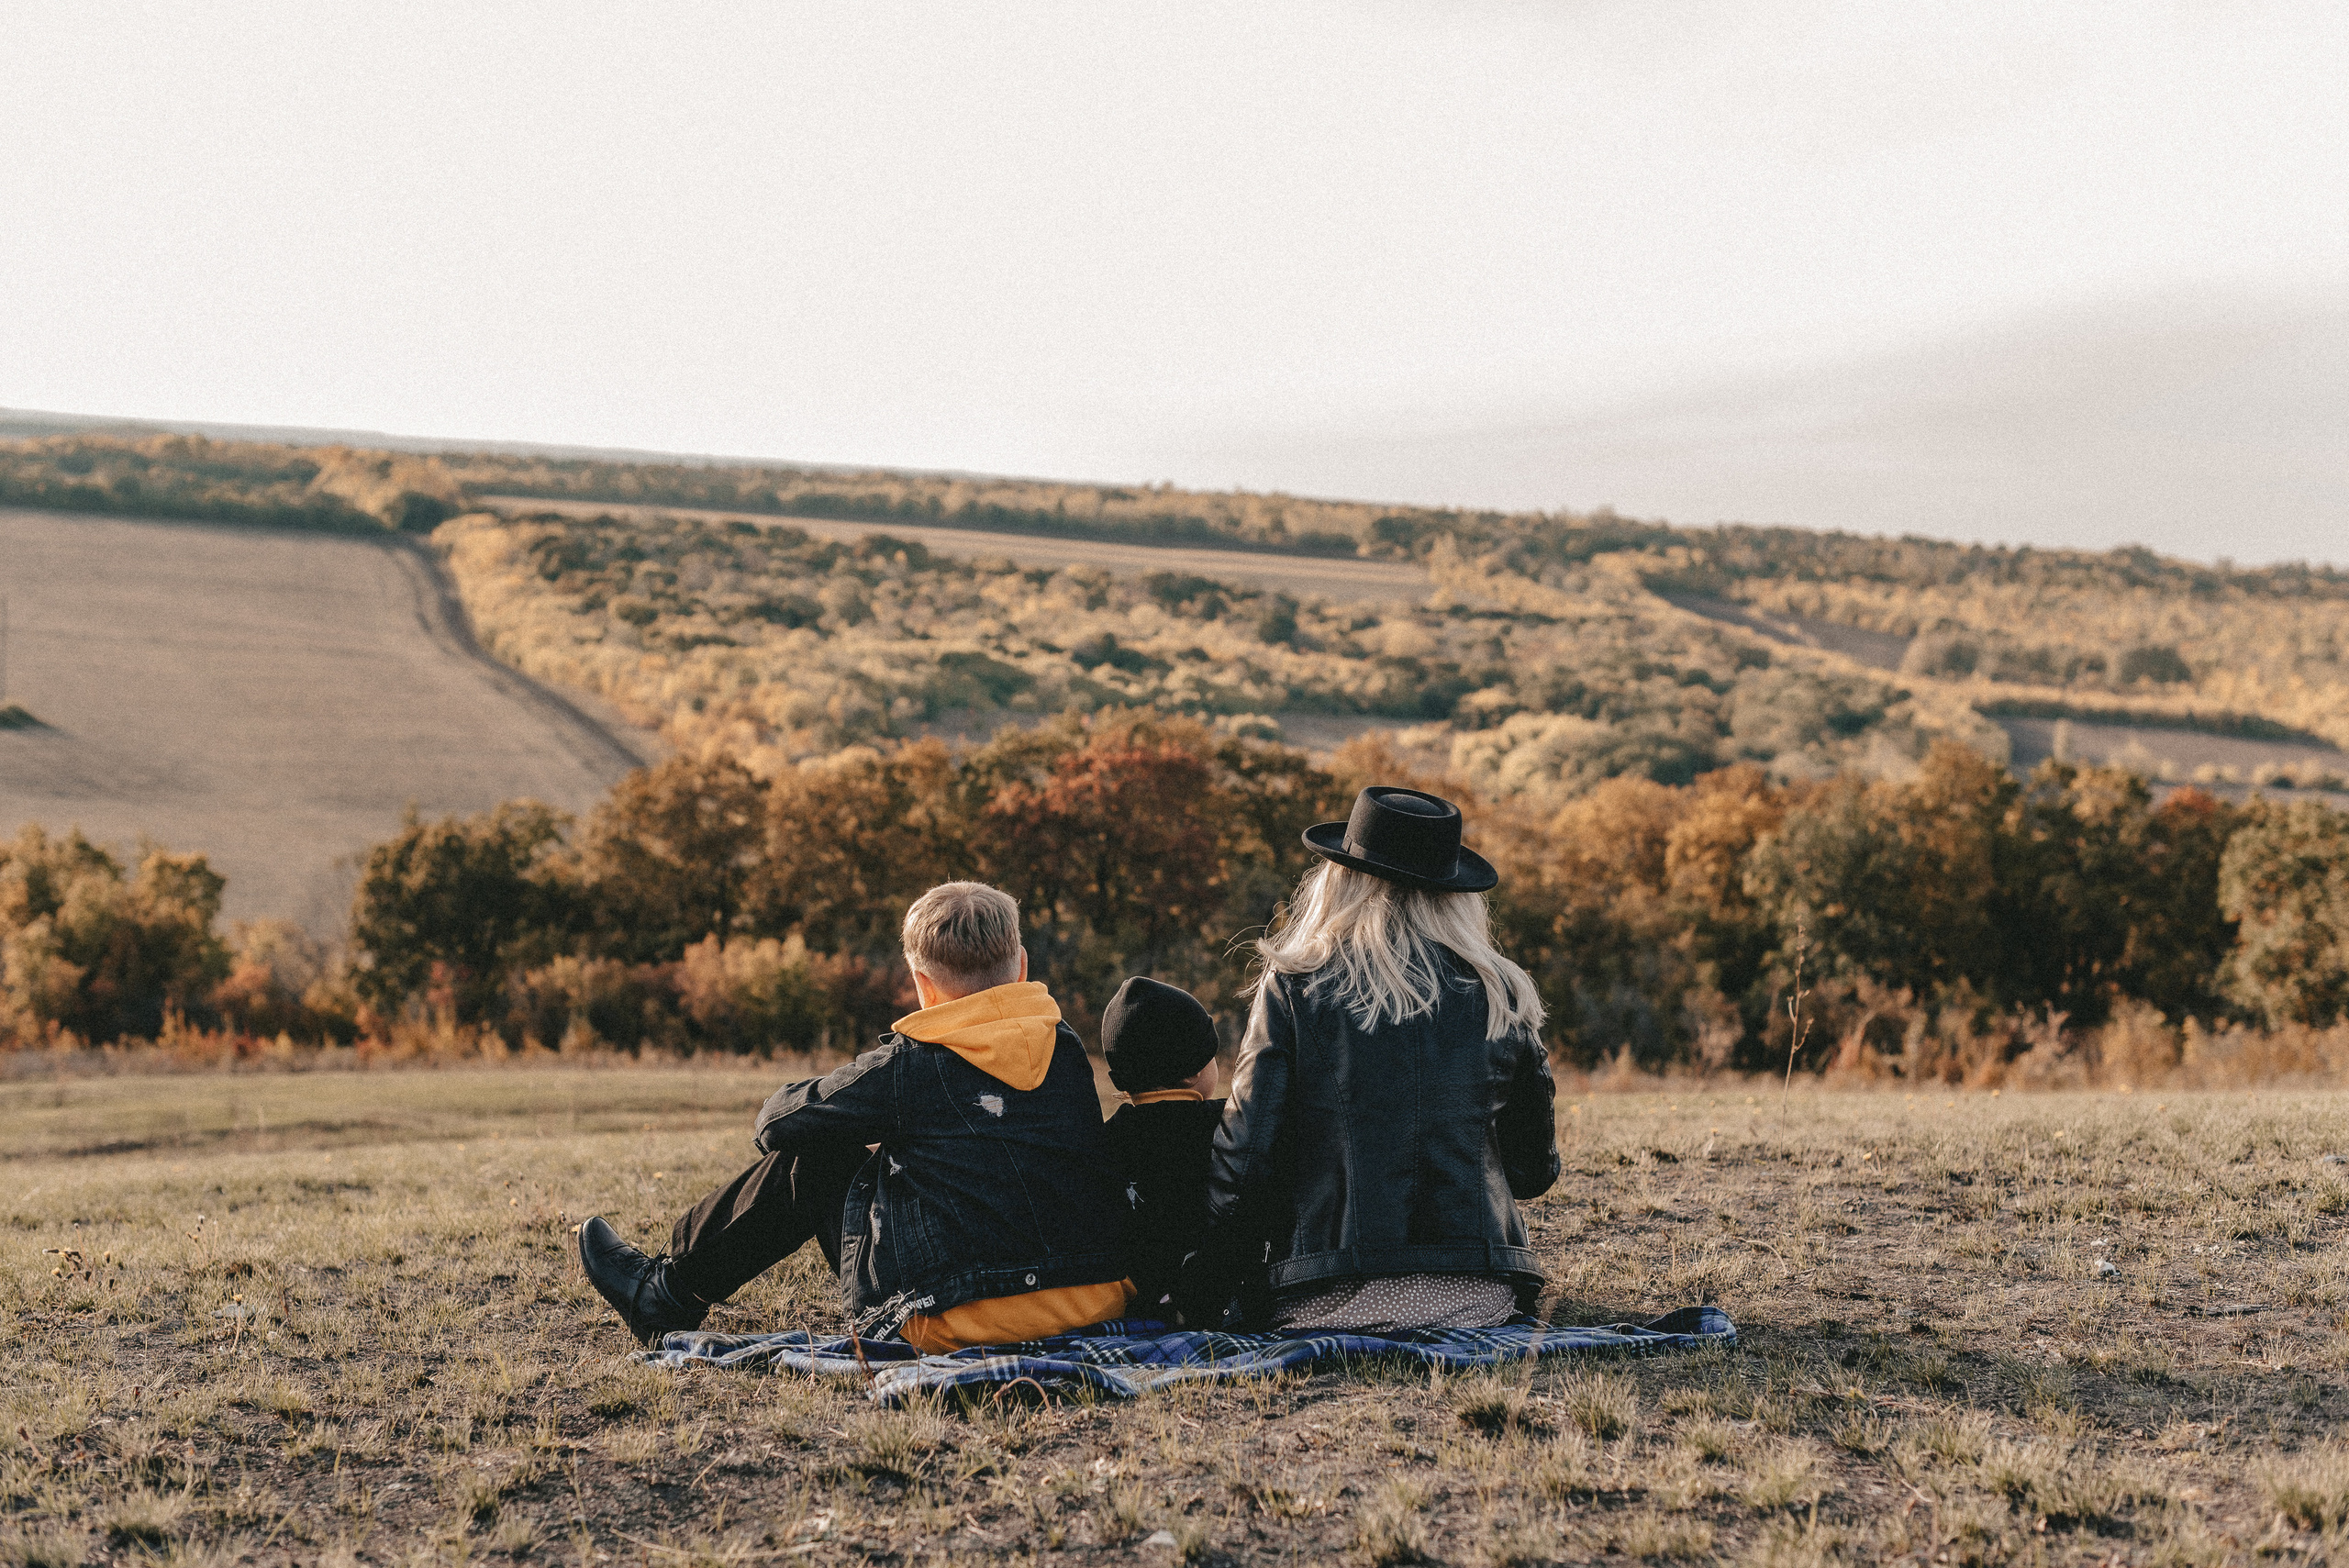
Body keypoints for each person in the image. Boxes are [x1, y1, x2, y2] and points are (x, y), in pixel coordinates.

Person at [576, 881, 1133, 1351]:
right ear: (1023, 967)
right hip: (1089, 1297)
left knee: (814, 1155)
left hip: (951, 1318)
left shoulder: (909, 1065)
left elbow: (775, 1125)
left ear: (922, 986)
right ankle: (665, 1292)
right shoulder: (1065, 1049)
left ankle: (665, 1294)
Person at [1188, 785, 1560, 1333]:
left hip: (1328, 1291)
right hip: (1480, 1294)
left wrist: (1204, 1270)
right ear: (1457, 895)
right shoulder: (1503, 992)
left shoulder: (1294, 986)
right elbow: (1533, 1173)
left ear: (1340, 880)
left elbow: (1244, 1160)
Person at [1097, 975, 1225, 1321]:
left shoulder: (1107, 1137)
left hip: (1134, 1294)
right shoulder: (1222, 1123)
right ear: (1191, 1073)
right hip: (1210, 1289)